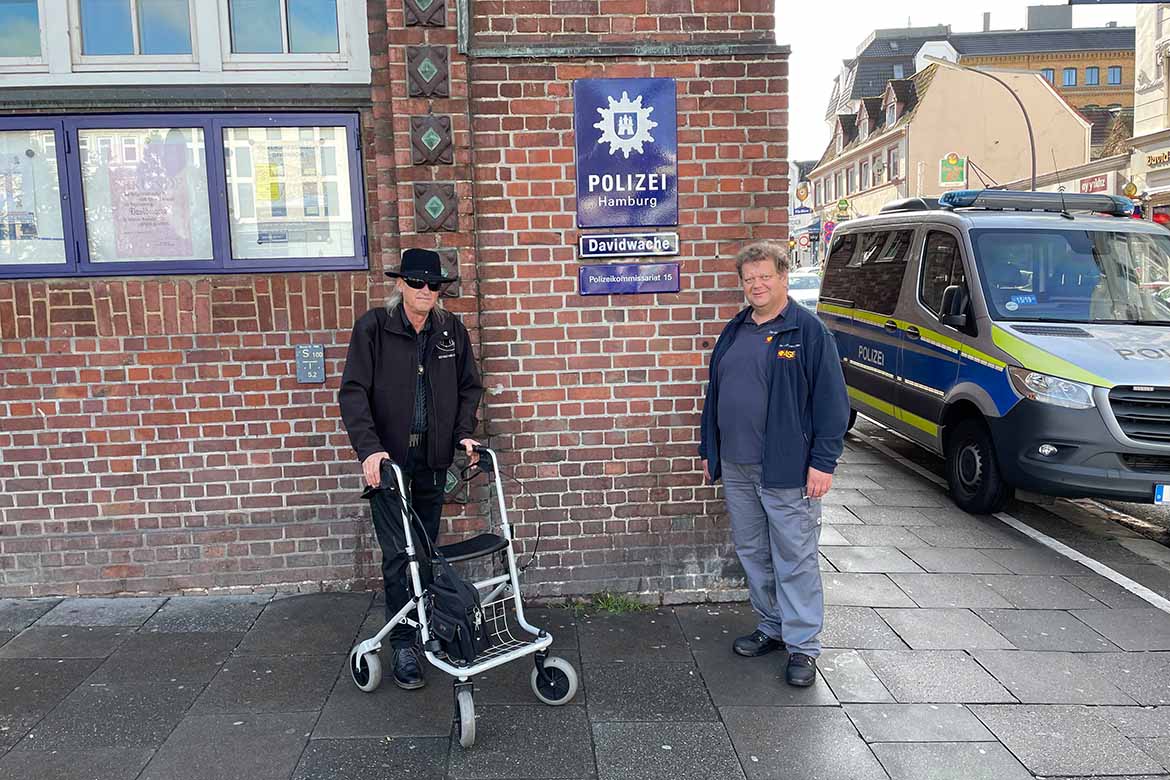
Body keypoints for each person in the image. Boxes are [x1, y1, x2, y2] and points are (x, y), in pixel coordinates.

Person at [698, 241, 849, 687]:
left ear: (784, 277)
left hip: (787, 469)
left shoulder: (808, 332)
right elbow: (716, 394)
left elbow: (833, 404)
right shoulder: (736, 329)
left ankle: (803, 646)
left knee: (795, 557)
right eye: (749, 279)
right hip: (738, 465)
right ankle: (773, 625)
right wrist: (711, 449)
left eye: (765, 276)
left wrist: (823, 462)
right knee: (754, 552)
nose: (757, 285)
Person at [339, 247, 484, 690]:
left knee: (425, 550)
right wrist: (369, 451)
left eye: (433, 284)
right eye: (417, 282)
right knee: (400, 555)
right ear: (401, 284)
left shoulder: (450, 330)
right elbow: (353, 393)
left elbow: (469, 387)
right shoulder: (374, 328)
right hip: (390, 465)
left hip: (432, 460)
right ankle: (404, 643)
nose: (425, 290)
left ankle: (429, 627)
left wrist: (463, 432)